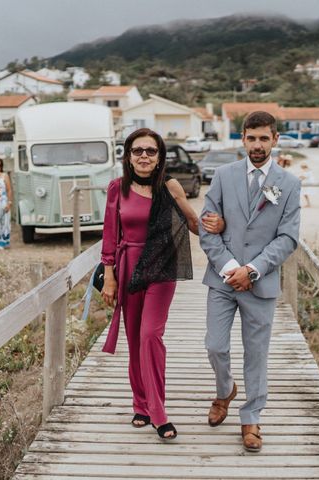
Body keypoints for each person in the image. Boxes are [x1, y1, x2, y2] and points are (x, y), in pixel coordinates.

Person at [100, 128, 224, 441]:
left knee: (150, 335)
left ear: (159, 157)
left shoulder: (169, 186)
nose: (144, 156)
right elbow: (110, 237)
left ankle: (157, 412)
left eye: (150, 151)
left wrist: (221, 227)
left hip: (161, 268)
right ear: (128, 156)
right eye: (137, 150)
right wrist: (110, 277)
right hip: (128, 268)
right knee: (134, 340)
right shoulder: (117, 188)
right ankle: (140, 403)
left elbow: (194, 224)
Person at [199, 111, 301, 453]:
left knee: (256, 353)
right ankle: (225, 388)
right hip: (222, 278)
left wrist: (252, 270)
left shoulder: (288, 184)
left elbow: (287, 238)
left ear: (275, 139)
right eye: (251, 138)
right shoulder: (223, 176)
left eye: (264, 138)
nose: (257, 145)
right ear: (242, 139)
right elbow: (207, 225)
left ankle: (251, 418)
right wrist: (231, 267)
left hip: (261, 282)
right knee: (215, 345)